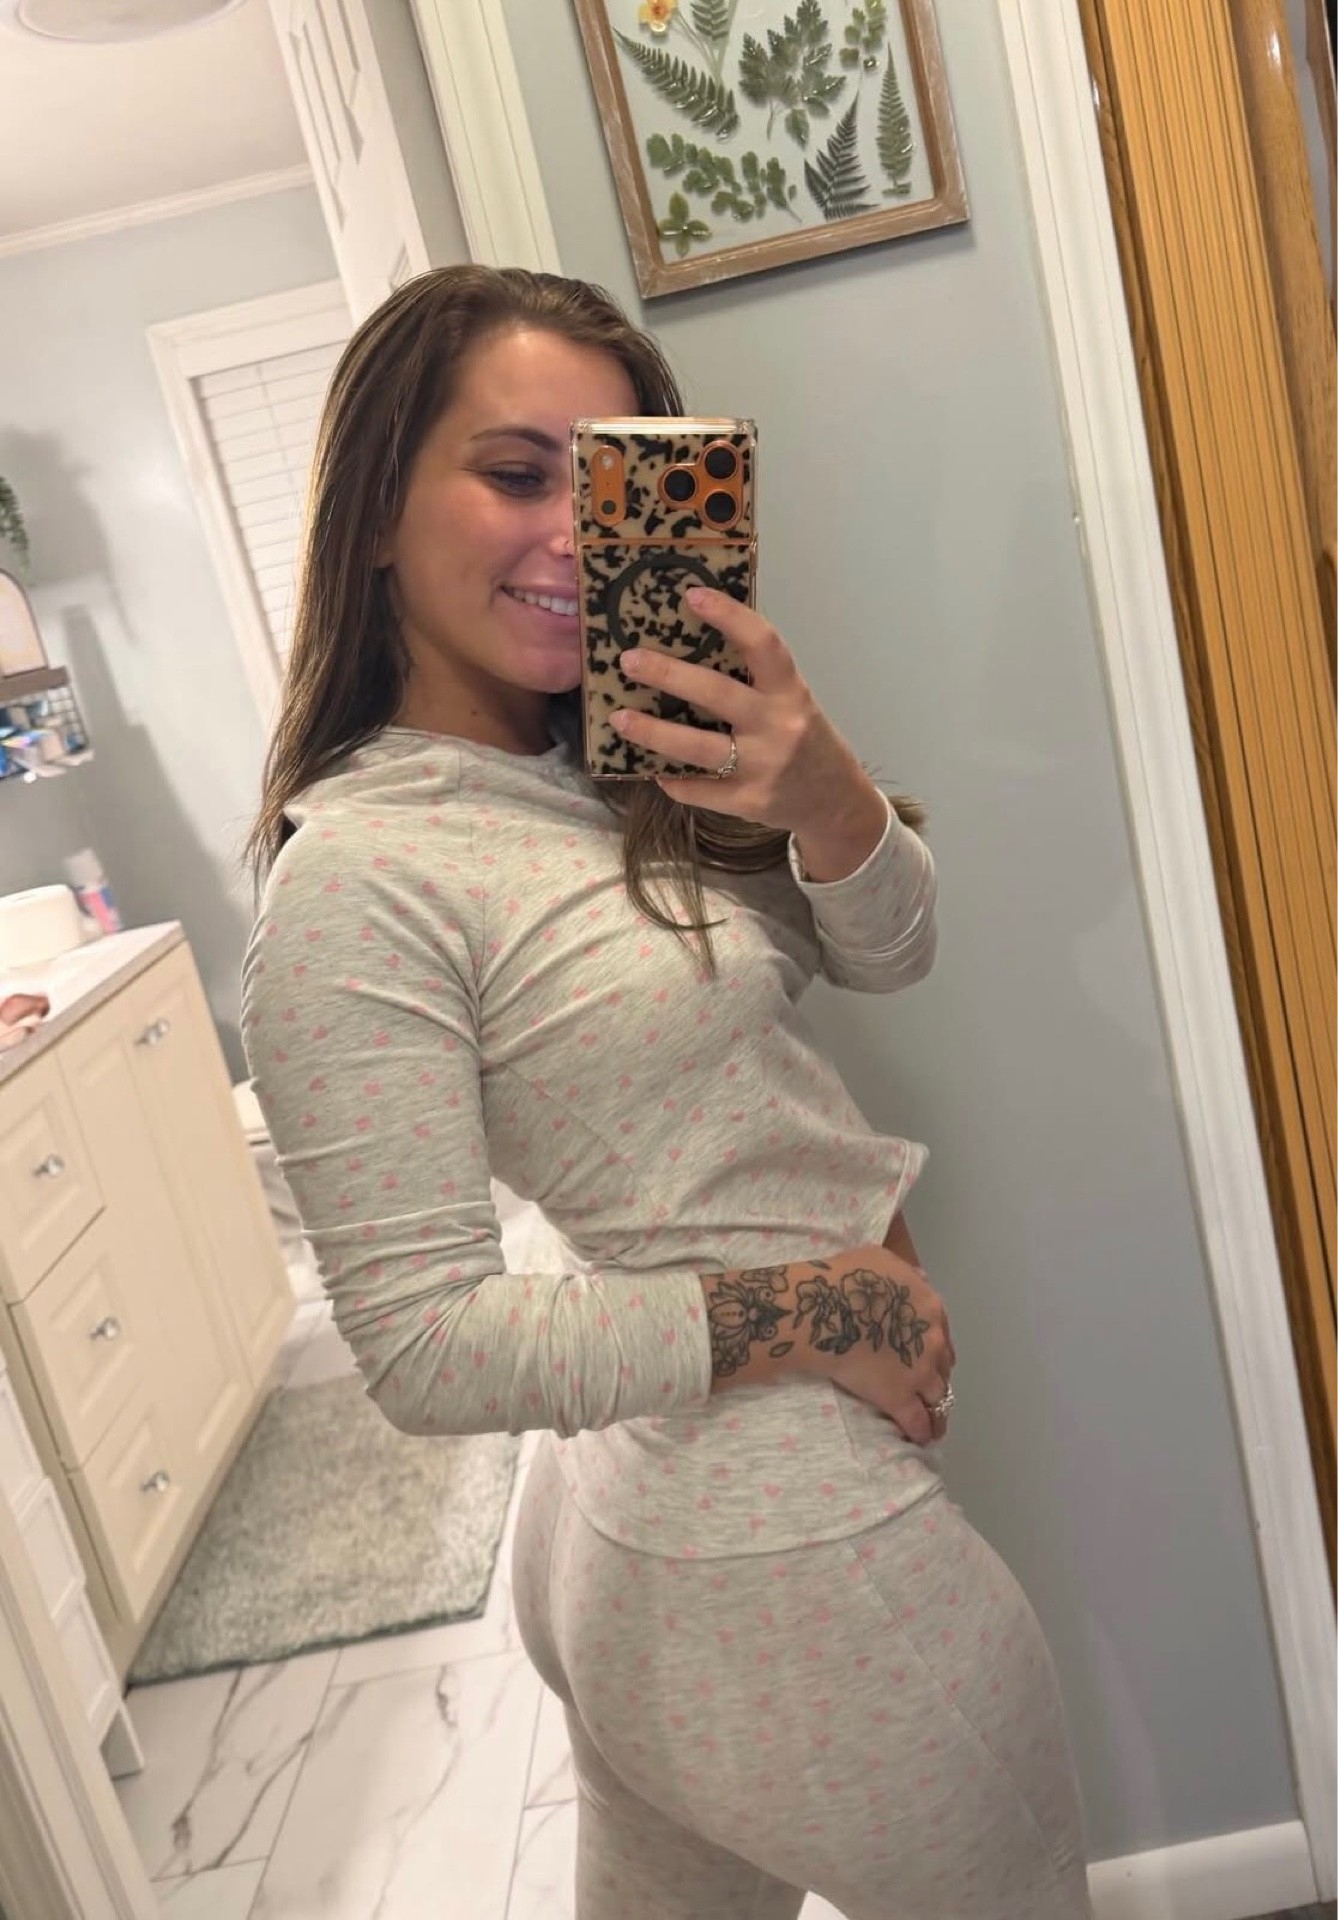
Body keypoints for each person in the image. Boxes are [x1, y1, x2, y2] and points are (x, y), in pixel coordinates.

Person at [242, 264, 1092, 1920]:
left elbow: (890, 954)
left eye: (613, 481)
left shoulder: (615, 760)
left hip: (659, 1528)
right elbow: (422, 1347)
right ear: (373, 509)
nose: (572, 533)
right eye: (513, 473)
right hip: (774, 1547)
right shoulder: (359, 876)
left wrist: (825, 792)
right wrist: (821, 1302)